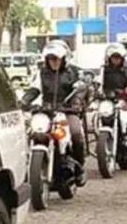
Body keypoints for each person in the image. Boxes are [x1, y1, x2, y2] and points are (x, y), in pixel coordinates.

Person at [32, 41, 87, 186]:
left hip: (67, 110)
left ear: (64, 59)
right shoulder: (41, 73)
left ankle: (80, 169)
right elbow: (34, 90)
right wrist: (23, 101)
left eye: (56, 59)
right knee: (31, 132)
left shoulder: (73, 73)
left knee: (76, 133)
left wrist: (75, 102)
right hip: (47, 111)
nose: (54, 62)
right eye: (51, 59)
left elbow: (80, 90)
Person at [100, 43, 127, 147]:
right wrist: (97, 91)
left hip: (125, 101)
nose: (116, 60)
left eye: (118, 57)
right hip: (108, 101)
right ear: (109, 58)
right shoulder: (103, 71)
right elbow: (98, 84)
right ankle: (102, 141)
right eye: (114, 57)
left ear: (122, 58)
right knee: (102, 115)